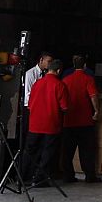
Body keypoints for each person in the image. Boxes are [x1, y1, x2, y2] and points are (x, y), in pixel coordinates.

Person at [25, 58, 68, 186]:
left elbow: (29, 104)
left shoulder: (37, 83)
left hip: (34, 123)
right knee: (47, 152)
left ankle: (24, 176)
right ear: (59, 70)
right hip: (51, 124)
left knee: (31, 151)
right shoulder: (59, 85)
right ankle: (40, 179)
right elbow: (64, 107)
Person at [59, 56, 100, 183]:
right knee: (87, 150)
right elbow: (93, 96)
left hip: (68, 120)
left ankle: (68, 175)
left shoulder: (65, 80)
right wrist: (97, 111)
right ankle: (89, 175)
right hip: (85, 120)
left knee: (67, 151)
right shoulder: (88, 79)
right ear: (85, 65)